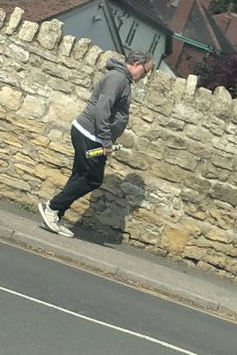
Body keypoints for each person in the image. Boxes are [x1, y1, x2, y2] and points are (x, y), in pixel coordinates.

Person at [38, 51, 154, 238]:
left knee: (80, 175)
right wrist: (107, 141)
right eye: (145, 71)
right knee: (92, 179)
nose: (144, 76)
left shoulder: (121, 79)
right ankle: (51, 207)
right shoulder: (117, 78)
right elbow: (102, 109)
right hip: (90, 135)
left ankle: (55, 215)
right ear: (137, 63)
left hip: (92, 135)